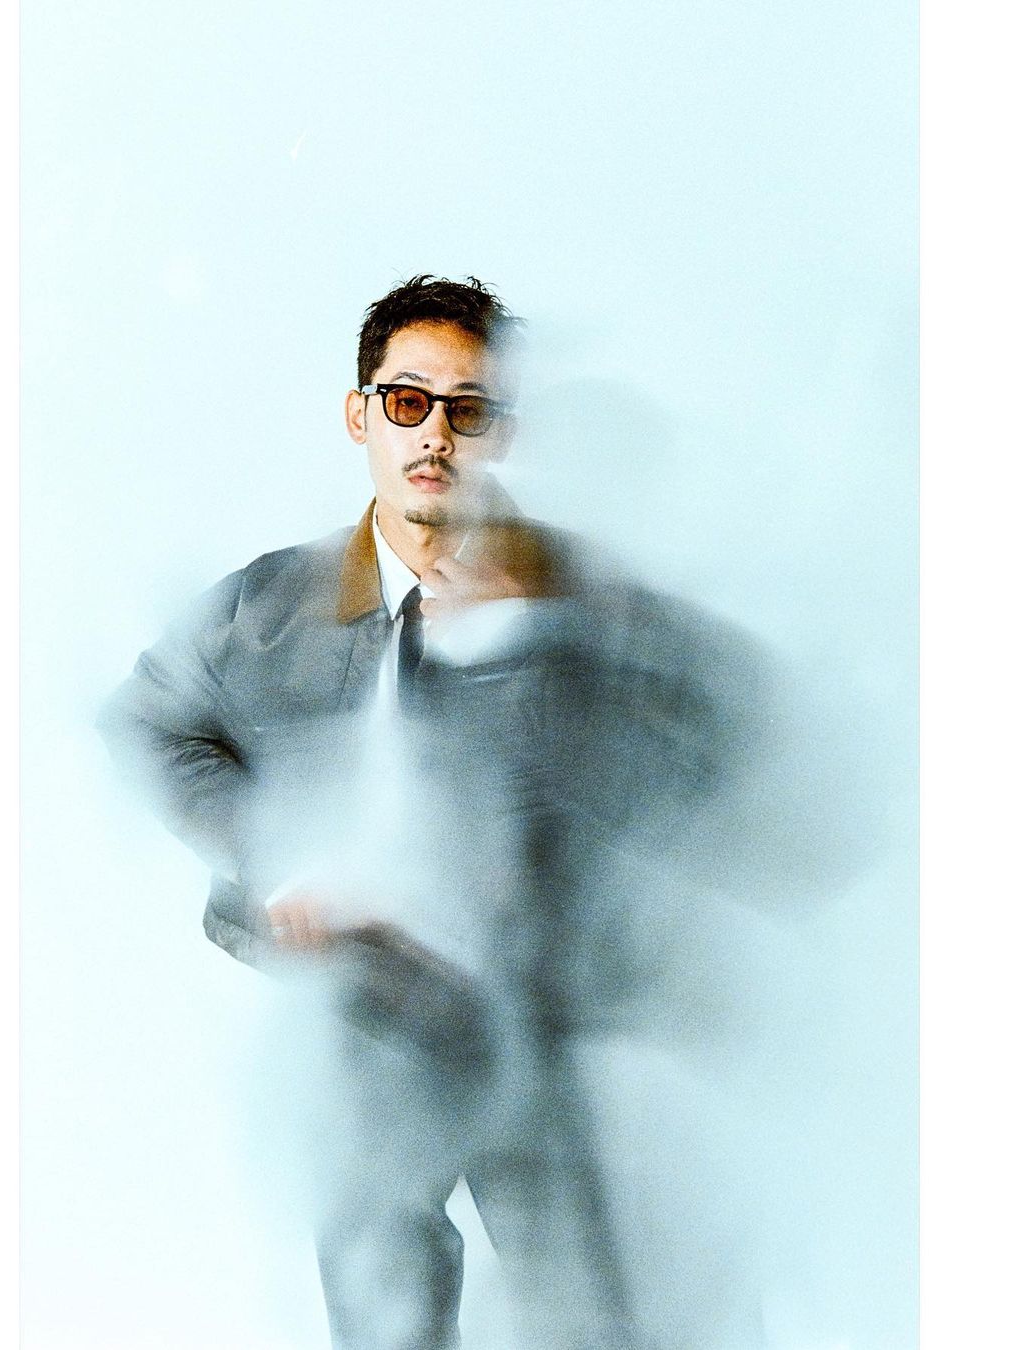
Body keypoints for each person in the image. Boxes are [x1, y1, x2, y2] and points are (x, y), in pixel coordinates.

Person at [99, 275, 773, 1349]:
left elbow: (718, 739)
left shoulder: (573, 596)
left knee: (592, 1321)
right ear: (360, 414)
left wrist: (535, 649)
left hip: (526, 1020)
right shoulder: (267, 609)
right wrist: (274, 853)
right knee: (384, 1322)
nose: (436, 435)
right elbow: (147, 723)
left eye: (468, 409)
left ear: (502, 431)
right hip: (359, 1024)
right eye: (408, 401)